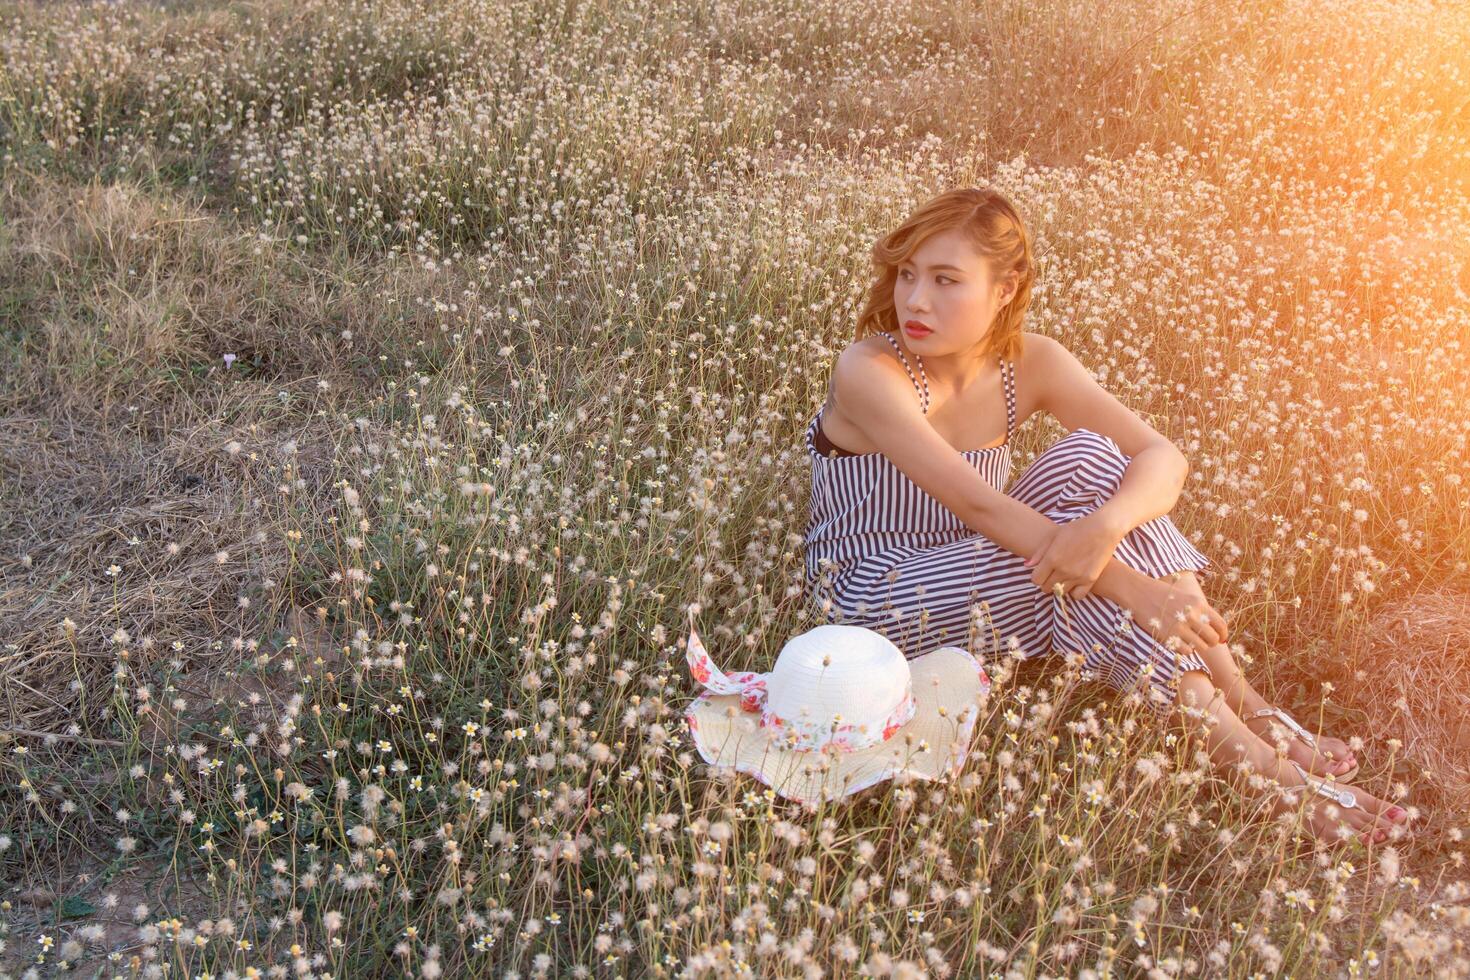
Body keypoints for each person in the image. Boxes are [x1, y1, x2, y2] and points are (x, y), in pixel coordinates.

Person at [801, 186, 1408, 846]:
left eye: (947, 280)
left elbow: (1162, 458)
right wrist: (1134, 590)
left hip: (978, 557)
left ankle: (1246, 703)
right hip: (872, 601)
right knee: (1066, 571)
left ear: (1005, 289)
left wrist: (1106, 525)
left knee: (1095, 458)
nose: (915, 300)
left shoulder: (1029, 363)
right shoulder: (870, 368)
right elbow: (978, 504)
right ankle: (1262, 770)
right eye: (909, 275)